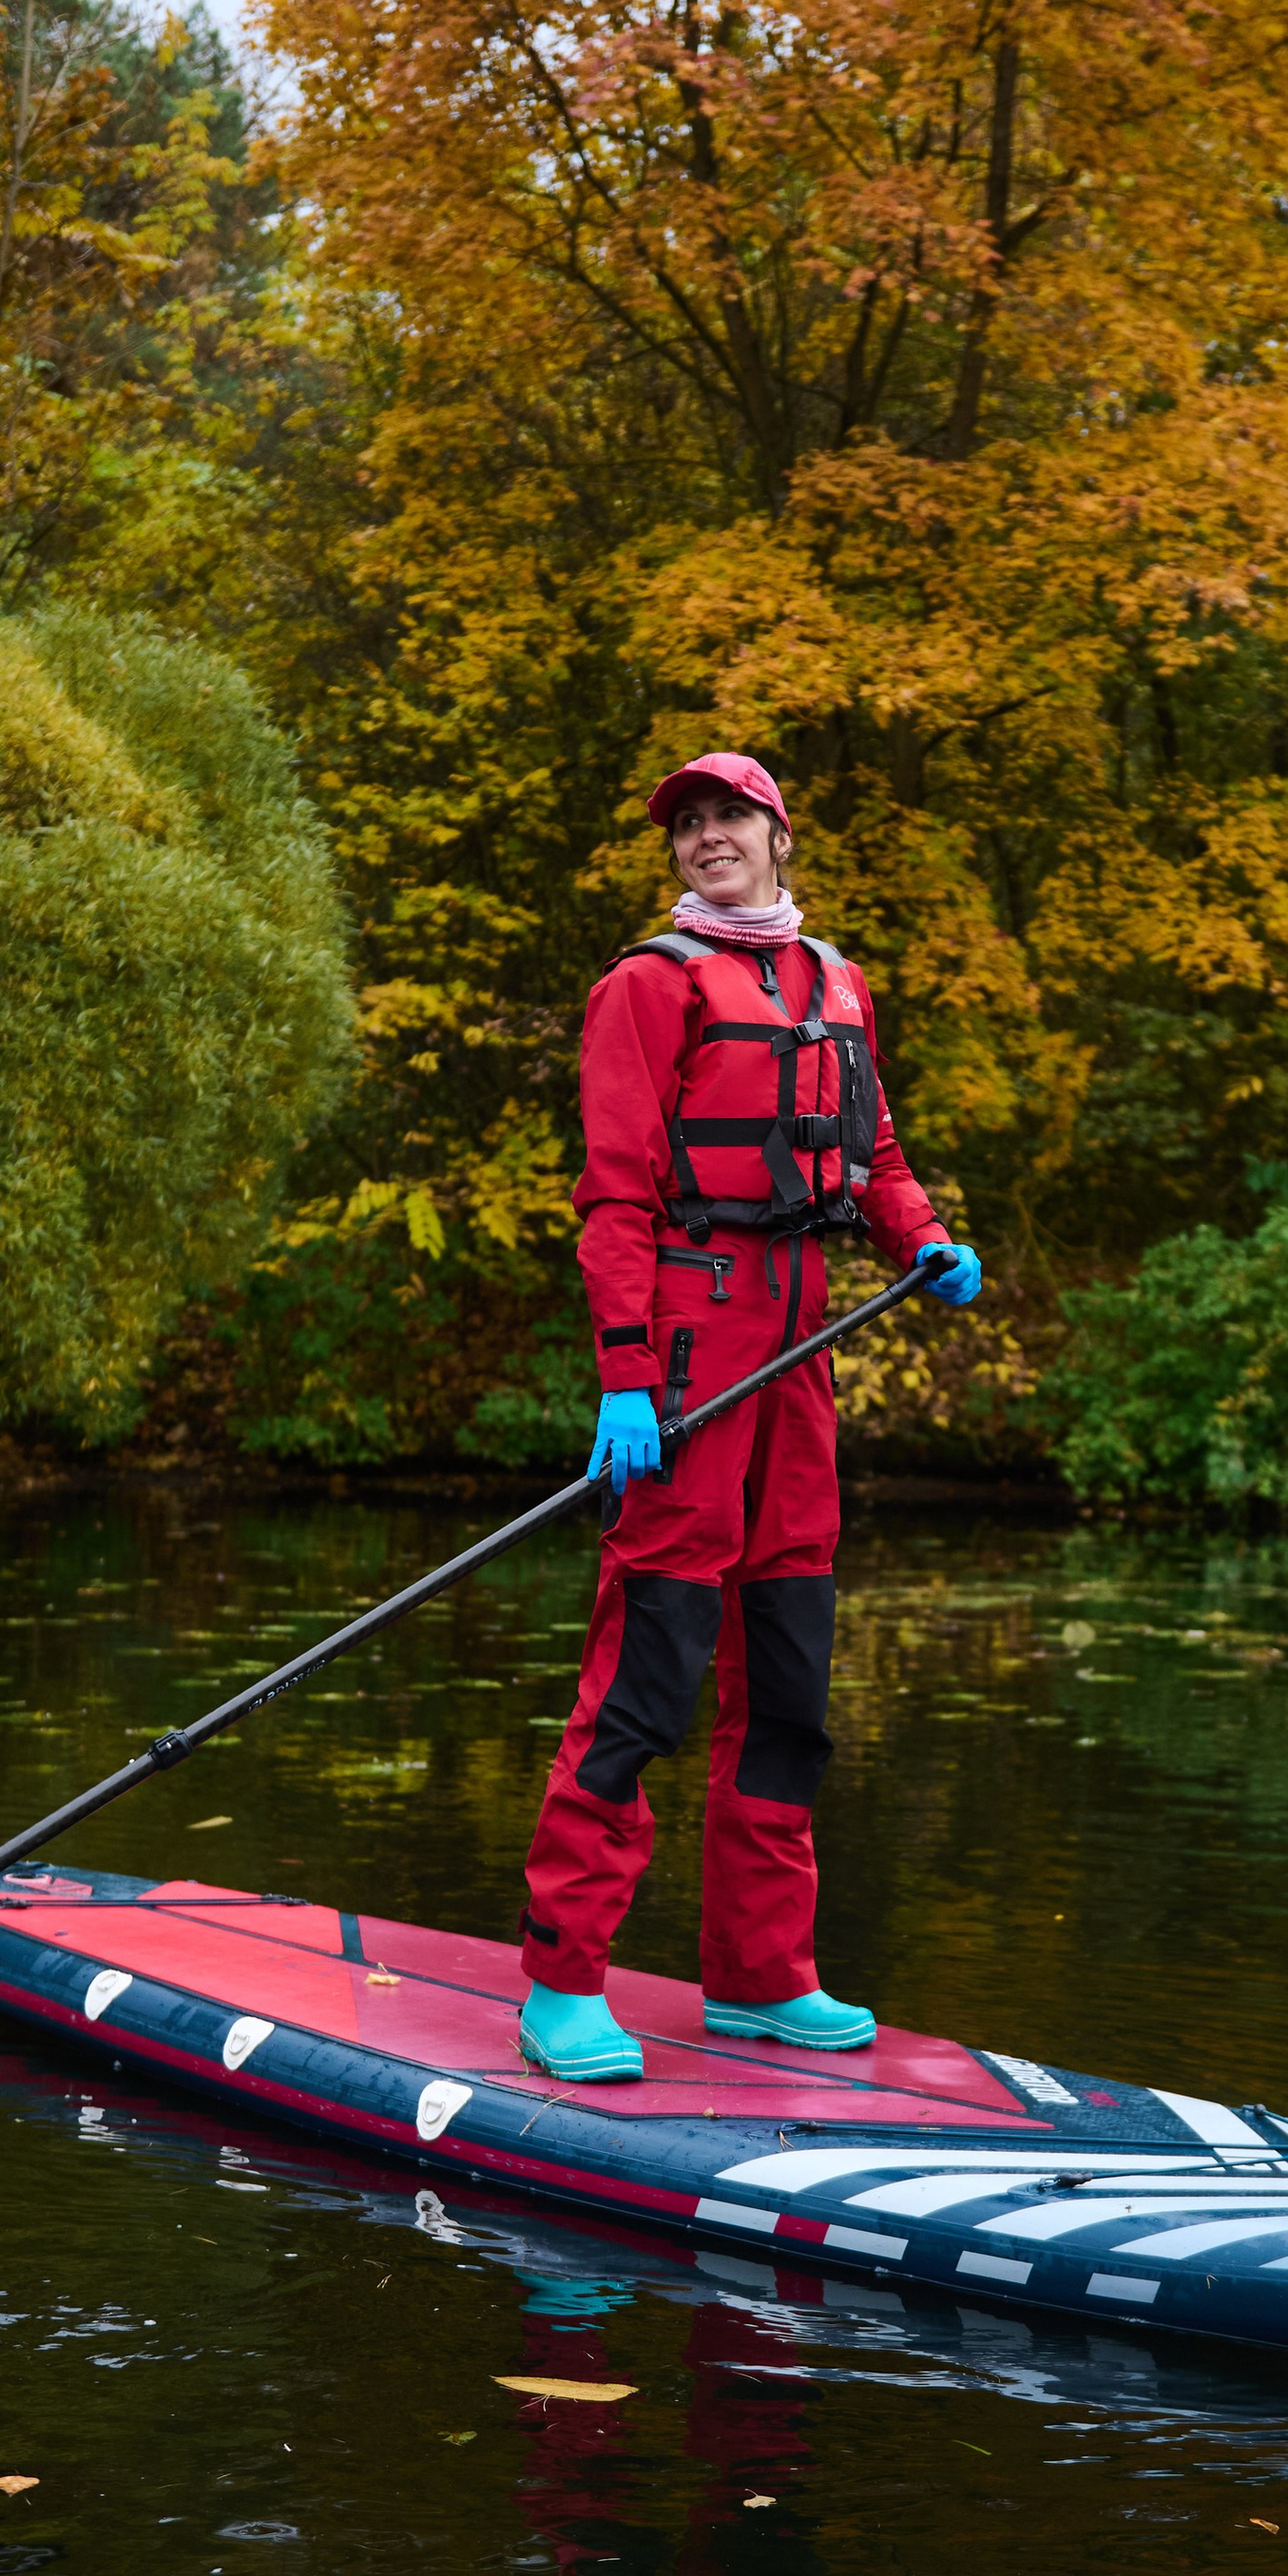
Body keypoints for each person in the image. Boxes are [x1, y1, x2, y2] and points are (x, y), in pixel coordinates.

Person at [517, 751, 982, 2083]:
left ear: (781, 834)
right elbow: (614, 1194)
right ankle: (563, 1980)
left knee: (786, 1675)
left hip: (805, 1348)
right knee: (649, 1671)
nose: (707, 838)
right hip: (689, 1344)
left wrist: (926, 1240)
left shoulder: (839, 984)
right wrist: (621, 1375)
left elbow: (874, 1151)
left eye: (730, 818)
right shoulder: (645, 987)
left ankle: (763, 1979)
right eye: (689, 825)